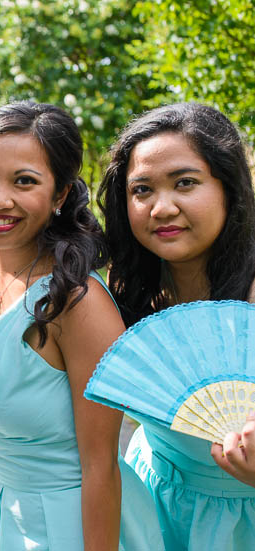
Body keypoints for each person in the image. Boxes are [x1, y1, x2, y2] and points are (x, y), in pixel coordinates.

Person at [0, 102, 163, 550]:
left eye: (24, 182)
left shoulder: (75, 302)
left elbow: (100, 466)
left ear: (60, 196)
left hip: (72, 524)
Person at [99, 102, 255, 550]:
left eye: (185, 183)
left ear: (228, 188)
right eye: (142, 189)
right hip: (149, 507)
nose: (162, 207)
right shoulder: (125, 292)